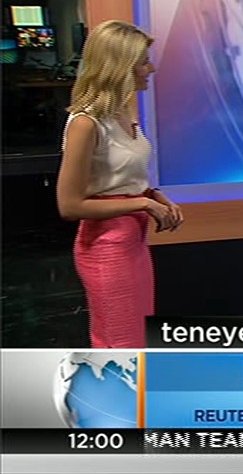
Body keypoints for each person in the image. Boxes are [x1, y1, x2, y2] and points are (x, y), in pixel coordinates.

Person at [56, 20, 184, 348]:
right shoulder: (85, 123)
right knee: (121, 344)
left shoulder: (123, 114)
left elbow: (119, 179)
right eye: (143, 62)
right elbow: (69, 205)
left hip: (134, 241)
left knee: (137, 339)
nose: (151, 68)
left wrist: (154, 196)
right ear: (120, 66)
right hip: (106, 247)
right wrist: (142, 203)